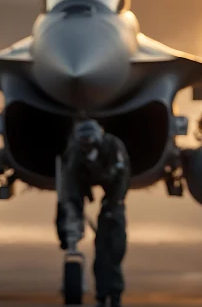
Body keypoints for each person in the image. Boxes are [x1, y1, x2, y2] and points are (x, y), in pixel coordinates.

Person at [56, 119, 131, 307]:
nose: (86, 146)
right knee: (101, 253)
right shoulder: (75, 153)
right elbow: (70, 185)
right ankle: (102, 296)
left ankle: (113, 296)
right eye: (83, 143)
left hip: (113, 192)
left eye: (89, 142)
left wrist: (114, 204)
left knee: (113, 249)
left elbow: (122, 178)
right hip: (87, 180)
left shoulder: (113, 147)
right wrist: (70, 218)